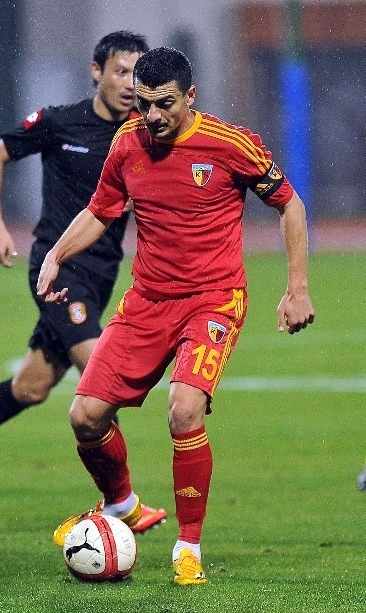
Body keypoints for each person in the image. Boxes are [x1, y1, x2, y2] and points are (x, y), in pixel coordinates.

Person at [37, 46, 316, 585]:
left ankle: (188, 545)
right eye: (143, 104)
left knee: (184, 409)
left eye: (164, 103)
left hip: (213, 299)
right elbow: (101, 209)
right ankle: (122, 505)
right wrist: (56, 255)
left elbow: (290, 203)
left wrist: (297, 288)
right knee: (85, 416)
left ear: (190, 96)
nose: (153, 116)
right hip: (147, 301)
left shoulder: (230, 144)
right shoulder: (128, 143)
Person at [0, 31, 167, 535]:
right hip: (56, 270)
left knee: (31, 387)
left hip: (101, 277)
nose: (128, 84)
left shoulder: (142, 134)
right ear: (97, 71)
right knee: (101, 374)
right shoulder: (59, 122)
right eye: (120, 72)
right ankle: (120, 503)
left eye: (136, 76)